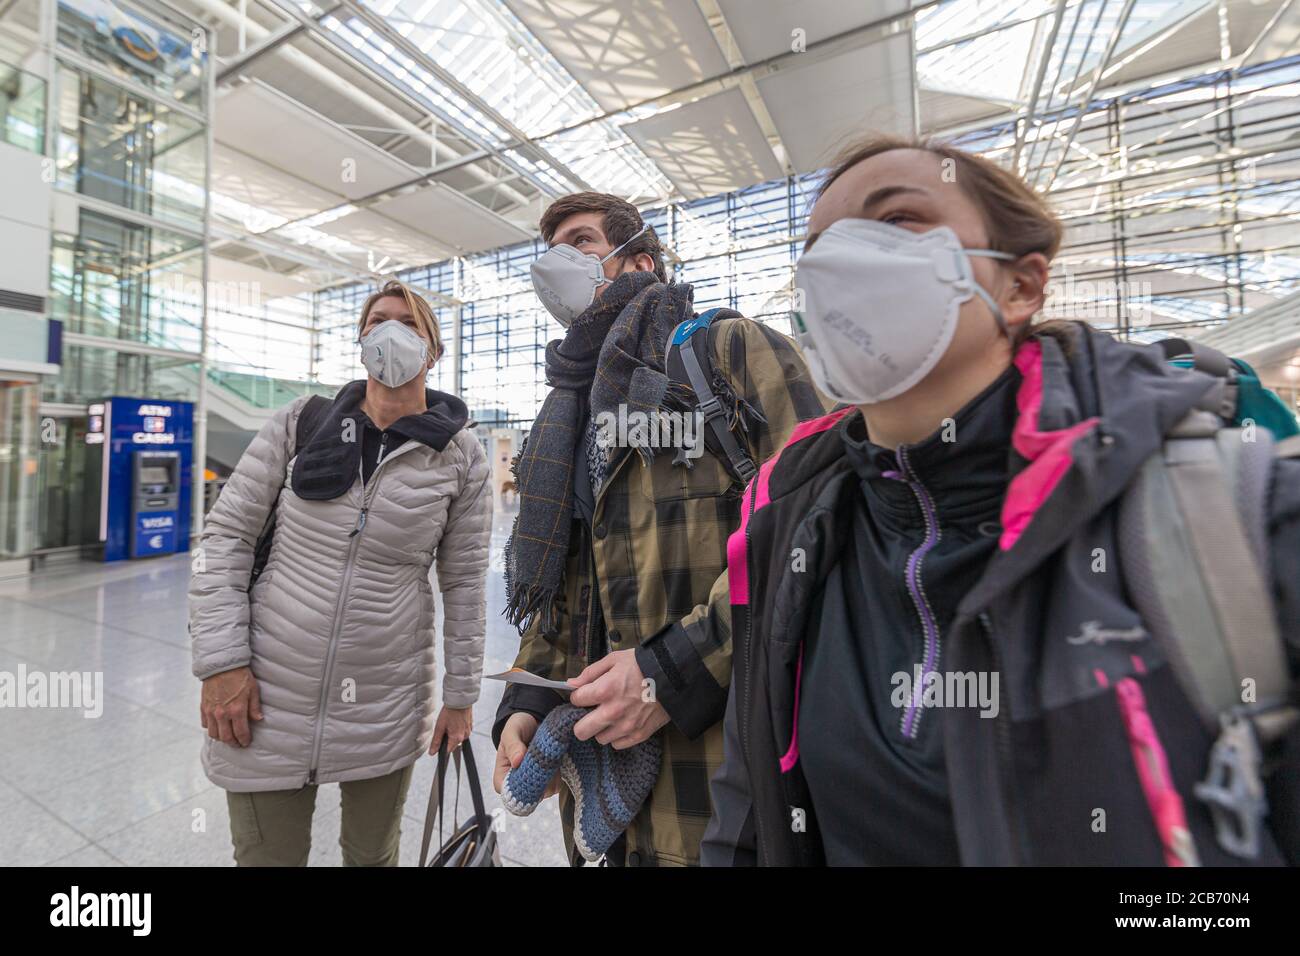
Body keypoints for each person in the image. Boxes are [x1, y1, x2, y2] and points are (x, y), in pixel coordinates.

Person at [700, 134, 1300, 866]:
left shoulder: (1227, 513)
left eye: (895, 222)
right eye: (820, 246)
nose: (839, 264)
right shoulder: (791, 520)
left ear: (1020, 286)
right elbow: (749, 800)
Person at [491, 191, 828, 866]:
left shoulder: (727, 353)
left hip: (723, 782)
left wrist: (666, 677)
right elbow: (566, 586)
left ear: (639, 259)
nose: (559, 262)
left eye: (581, 243)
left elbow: (810, 524)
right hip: (604, 795)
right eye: (549, 249)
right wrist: (527, 702)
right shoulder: (566, 418)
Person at [189, 280, 492, 866]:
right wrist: (221, 663)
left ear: (432, 351)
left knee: (372, 857)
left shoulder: (460, 456)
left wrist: (460, 695)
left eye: (409, 323)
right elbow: (224, 538)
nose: (390, 331)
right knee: (265, 858)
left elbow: (465, 582)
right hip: (264, 695)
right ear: (361, 339)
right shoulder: (302, 422)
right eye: (377, 320)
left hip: (384, 702)